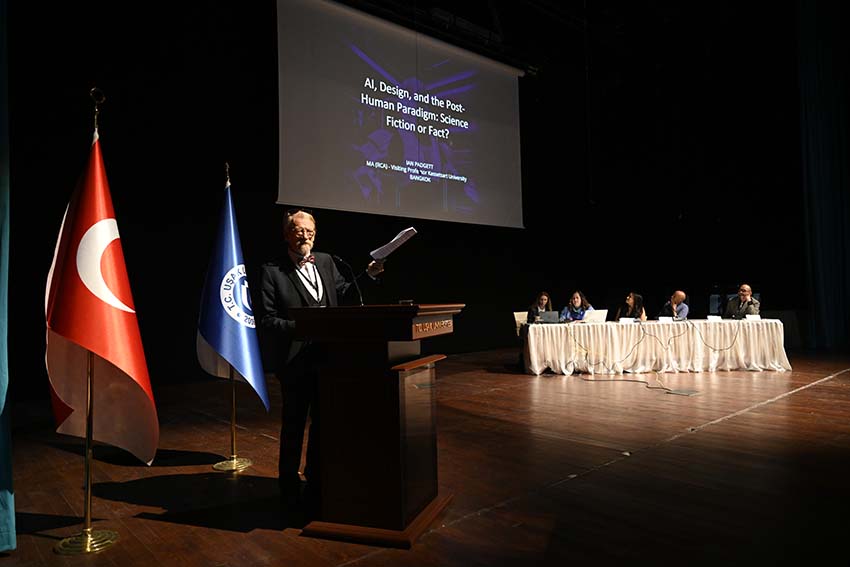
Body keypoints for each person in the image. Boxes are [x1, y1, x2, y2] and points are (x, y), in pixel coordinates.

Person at [258, 208, 384, 520]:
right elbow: (267, 320)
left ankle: (316, 479)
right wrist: (305, 326)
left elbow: (345, 293)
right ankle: (288, 486)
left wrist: (368, 275)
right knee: (294, 425)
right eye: (299, 230)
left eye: (310, 231)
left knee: (323, 423)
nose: (305, 236)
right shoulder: (272, 271)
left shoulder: (326, 261)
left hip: (330, 359)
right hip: (294, 363)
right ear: (287, 234)